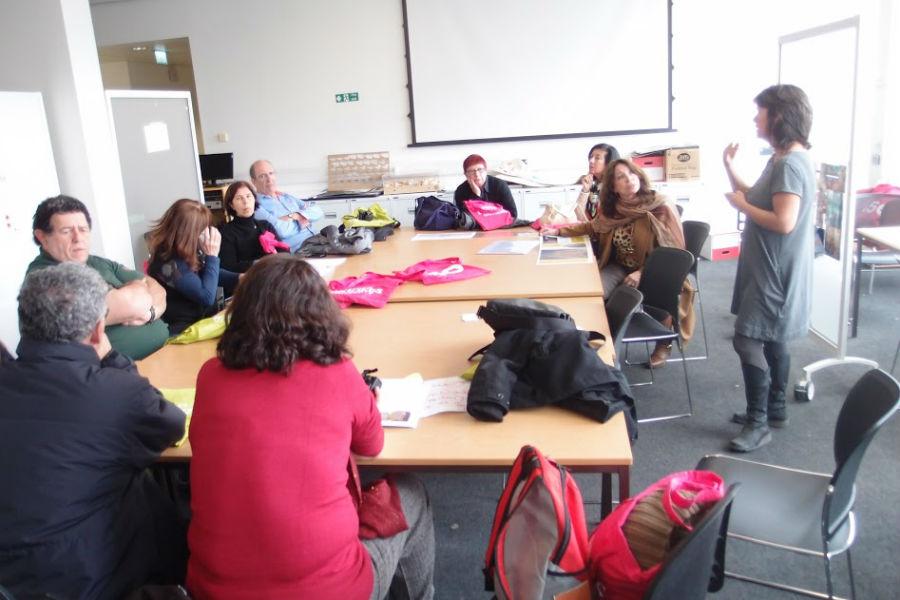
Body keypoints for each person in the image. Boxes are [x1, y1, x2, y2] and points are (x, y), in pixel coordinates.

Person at [186, 254, 435, 599]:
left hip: (213, 591)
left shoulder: (211, 375)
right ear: (320, 311)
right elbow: (372, 445)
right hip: (329, 588)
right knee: (411, 492)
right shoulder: (338, 373)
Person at [0, 262, 187, 599]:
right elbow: (171, 427)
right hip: (100, 580)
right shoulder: (114, 392)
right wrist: (112, 358)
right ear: (98, 330)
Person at [723, 84, 815, 453]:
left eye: (759, 111)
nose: (755, 118)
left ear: (779, 115)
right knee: (772, 335)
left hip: (775, 271)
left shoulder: (790, 163)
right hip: (769, 266)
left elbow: (783, 221)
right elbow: (752, 195)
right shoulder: (781, 158)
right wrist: (729, 169)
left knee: (747, 338)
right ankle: (775, 408)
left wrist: (740, 207)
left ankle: (758, 421)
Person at [543, 159, 694, 368]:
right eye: (621, 177)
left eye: (631, 174)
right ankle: (597, 344)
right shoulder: (613, 209)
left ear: (639, 175)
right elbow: (592, 227)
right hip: (620, 265)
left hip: (654, 269)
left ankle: (664, 343)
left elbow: (672, 251)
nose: (629, 179)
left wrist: (642, 272)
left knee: (660, 294)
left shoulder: (659, 206)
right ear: (613, 187)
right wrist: (559, 231)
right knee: (595, 294)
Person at [27, 195, 169, 360]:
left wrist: (150, 313)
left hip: (162, 353)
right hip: (112, 374)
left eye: (83, 229)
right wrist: (139, 285)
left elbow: (158, 290)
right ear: (42, 237)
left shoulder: (97, 262)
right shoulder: (44, 279)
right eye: (66, 231)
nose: (78, 238)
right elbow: (132, 304)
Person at [147, 199, 240, 336]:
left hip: (204, 322)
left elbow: (207, 274)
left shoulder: (187, 248)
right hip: (184, 330)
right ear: (189, 232)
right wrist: (212, 256)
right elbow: (206, 296)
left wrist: (240, 277)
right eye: (201, 228)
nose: (205, 232)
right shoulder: (167, 261)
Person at [250, 159, 325, 252]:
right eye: (262, 176)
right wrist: (304, 220)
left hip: (316, 242)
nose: (269, 179)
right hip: (298, 251)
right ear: (254, 181)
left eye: (271, 173)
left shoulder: (285, 197)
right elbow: (281, 231)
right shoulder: (256, 206)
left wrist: (296, 216)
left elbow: (318, 211)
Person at [218, 180, 288, 272]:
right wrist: (260, 263)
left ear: (254, 199)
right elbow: (228, 266)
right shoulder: (227, 232)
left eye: (248, 196)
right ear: (232, 205)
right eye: (239, 198)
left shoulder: (265, 226)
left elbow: (284, 252)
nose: (245, 202)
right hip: (246, 280)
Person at [453, 154, 518, 220]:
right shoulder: (461, 190)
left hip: (499, 227)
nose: (477, 174)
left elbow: (513, 214)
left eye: (480, 169)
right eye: (471, 171)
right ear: (466, 174)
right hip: (475, 229)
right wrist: (476, 195)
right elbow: (463, 219)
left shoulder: (499, 185)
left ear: (486, 170)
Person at [574, 143, 620, 222]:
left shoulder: (615, 186)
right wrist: (585, 191)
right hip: (588, 230)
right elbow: (578, 215)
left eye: (597, 158)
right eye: (591, 157)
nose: (591, 161)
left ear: (609, 163)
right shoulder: (589, 182)